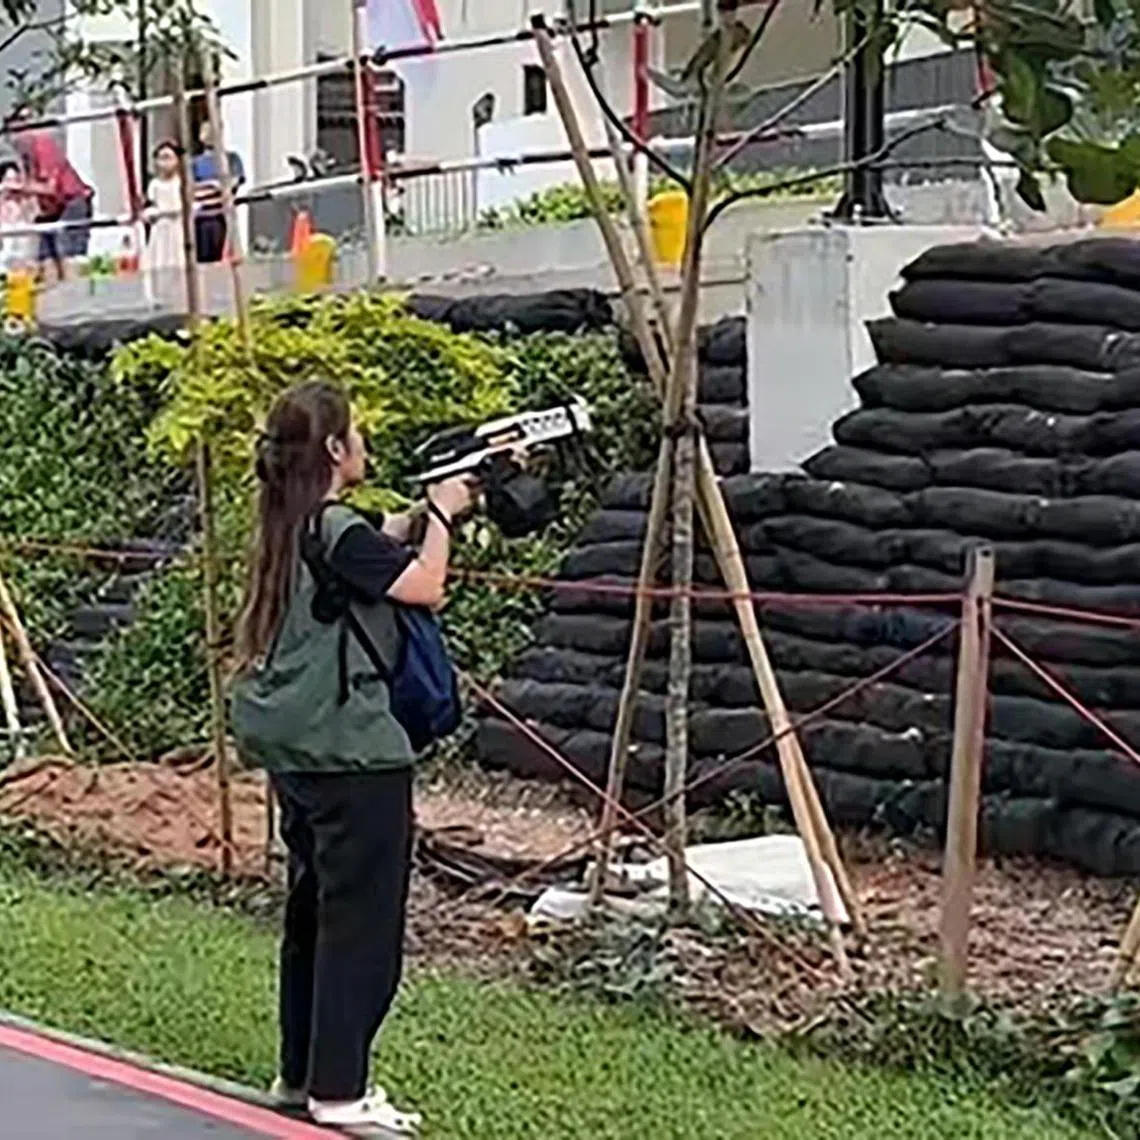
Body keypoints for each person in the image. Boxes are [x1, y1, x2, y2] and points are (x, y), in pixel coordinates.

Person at [230, 380, 475, 1137]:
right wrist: (441, 516)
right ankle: (341, 1093)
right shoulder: (337, 529)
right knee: (362, 928)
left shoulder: (293, 521)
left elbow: (371, 548)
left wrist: (417, 516)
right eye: (357, 434)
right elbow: (427, 588)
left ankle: (300, 1073)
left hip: (300, 755)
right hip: (356, 753)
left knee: (312, 914)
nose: (365, 444)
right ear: (336, 449)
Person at [11, 109, 94, 277]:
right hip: (51, 209)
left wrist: (20, 187)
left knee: (67, 251)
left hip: (71, 201)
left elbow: (50, 188)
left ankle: (74, 291)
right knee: (44, 254)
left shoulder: (43, 145)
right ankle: (53, 294)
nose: (13, 141)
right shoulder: (25, 158)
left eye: (15, 133)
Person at [191, 119, 245, 263]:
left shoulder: (231, 158)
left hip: (224, 212)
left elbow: (235, 181)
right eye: (206, 131)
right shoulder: (195, 163)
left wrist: (220, 186)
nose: (209, 135)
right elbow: (193, 187)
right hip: (202, 214)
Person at [142, 141, 185, 276]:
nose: (165, 163)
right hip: (160, 228)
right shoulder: (154, 184)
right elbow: (150, 205)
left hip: (177, 226)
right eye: (161, 158)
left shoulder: (181, 182)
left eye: (168, 157)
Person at [0, 158, 39, 275]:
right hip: (6, 233)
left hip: (23, 233)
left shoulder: (25, 197)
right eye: (8, 179)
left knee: (24, 265)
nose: (12, 184)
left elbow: (34, 213)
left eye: (15, 179)